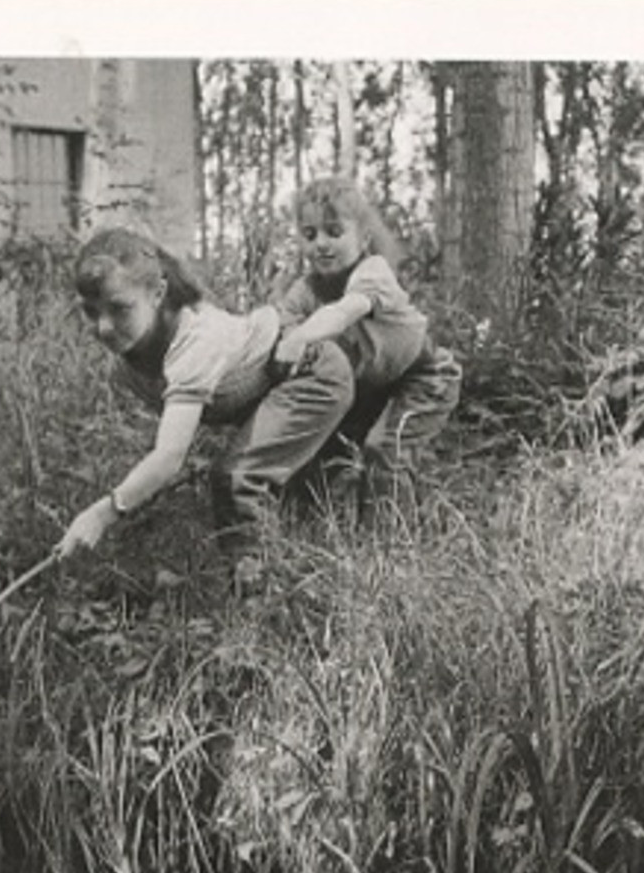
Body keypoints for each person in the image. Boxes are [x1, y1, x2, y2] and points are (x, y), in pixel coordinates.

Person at [57, 226, 354, 589]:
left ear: (158, 293)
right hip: (268, 389)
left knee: (236, 478)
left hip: (309, 372)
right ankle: (306, 574)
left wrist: (103, 514)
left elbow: (168, 457)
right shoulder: (131, 353)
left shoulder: (195, 341)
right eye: (91, 312)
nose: (104, 327)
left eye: (119, 309)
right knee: (290, 497)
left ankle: (257, 598)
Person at [274, 176, 460, 503]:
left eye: (334, 232)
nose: (321, 243)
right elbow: (281, 330)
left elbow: (347, 311)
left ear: (364, 239)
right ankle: (319, 529)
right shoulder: (303, 291)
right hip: (368, 388)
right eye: (309, 234)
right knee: (322, 449)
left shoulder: (372, 271)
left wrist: (301, 336)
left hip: (423, 377)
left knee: (386, 450)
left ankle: (392, 544)